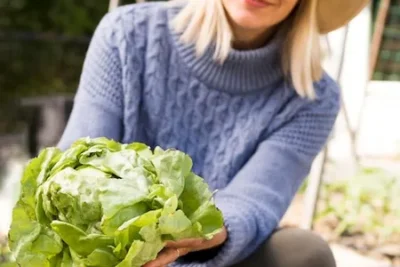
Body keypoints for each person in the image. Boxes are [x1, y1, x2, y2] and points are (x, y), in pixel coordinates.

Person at [57, 0, 368, 266]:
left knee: (303, 251)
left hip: (213, 254)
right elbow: (77, 162)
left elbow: (257, 197)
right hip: (113, 251)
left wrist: (197, 230)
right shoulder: (125, 35)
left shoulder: (313, 97)